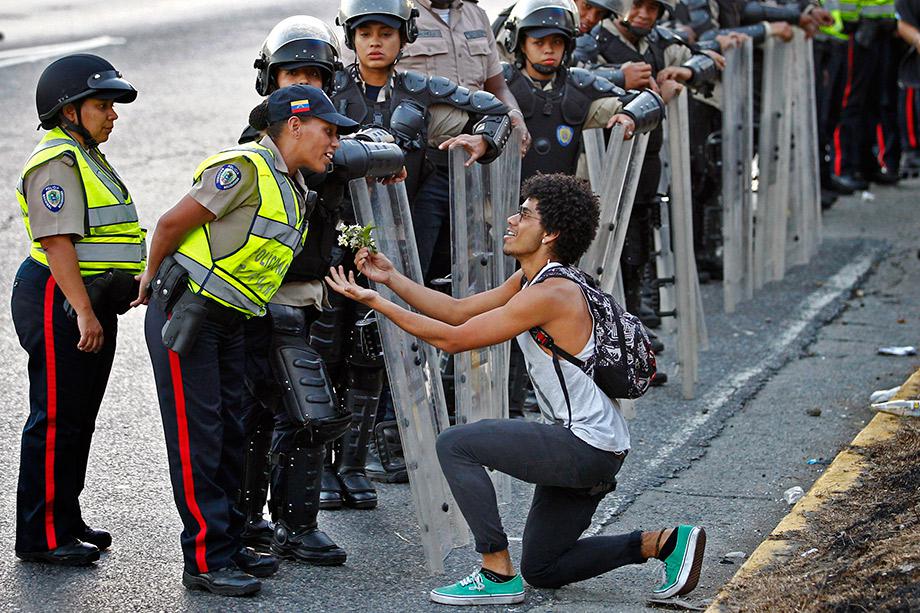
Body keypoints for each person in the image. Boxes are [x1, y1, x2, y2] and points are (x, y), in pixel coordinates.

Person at [325, 172, 706, 606]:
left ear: (551, 233)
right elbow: (456, 312)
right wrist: (389, 279)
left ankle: (494, 571)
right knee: (544, 568)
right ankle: (665, 543)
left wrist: (376, 303)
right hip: (596, 445)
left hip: (583, 444)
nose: (512, 219)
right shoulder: (534, 282)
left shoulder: (553, 293)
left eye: (524, 214)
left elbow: (454, 340)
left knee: (456, 444)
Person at [137, 84, 358, 596]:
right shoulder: (244, 168)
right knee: (199, 438)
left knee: (231, 431)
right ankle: (205, 561)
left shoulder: (294, 182)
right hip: (189, 310)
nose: (334, 143)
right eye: (328, 131)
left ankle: (229, 542)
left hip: (235, 317)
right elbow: (171, 223)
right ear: (296, 126)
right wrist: (152, 280)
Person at [234, 15, 368, 566]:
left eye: (314, 75)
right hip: (264, 298)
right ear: (271, 80)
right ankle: (253, 523)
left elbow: (380, 153)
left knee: (309, 412)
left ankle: (289, 523)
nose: (303, 86)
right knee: (270, 412)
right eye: (292, 75)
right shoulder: (259, 144)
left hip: (318, 294)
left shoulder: (334, 137)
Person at [12, 54, 143, 567]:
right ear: (69, 111)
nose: (113, 115)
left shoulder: (84, 154)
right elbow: (57, 240)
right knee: (55, 418)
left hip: (83, 299)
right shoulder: (56, 162)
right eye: (102, 105)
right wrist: (83, 311)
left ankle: (63, 516)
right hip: (59, 295)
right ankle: (41, 535)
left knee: (78, 417)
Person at [394, 0, 532, 152]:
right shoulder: (399, 10)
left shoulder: (477, 15)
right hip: (423, 150)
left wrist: (515, 114)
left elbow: (498, 86)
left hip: (478, 149)